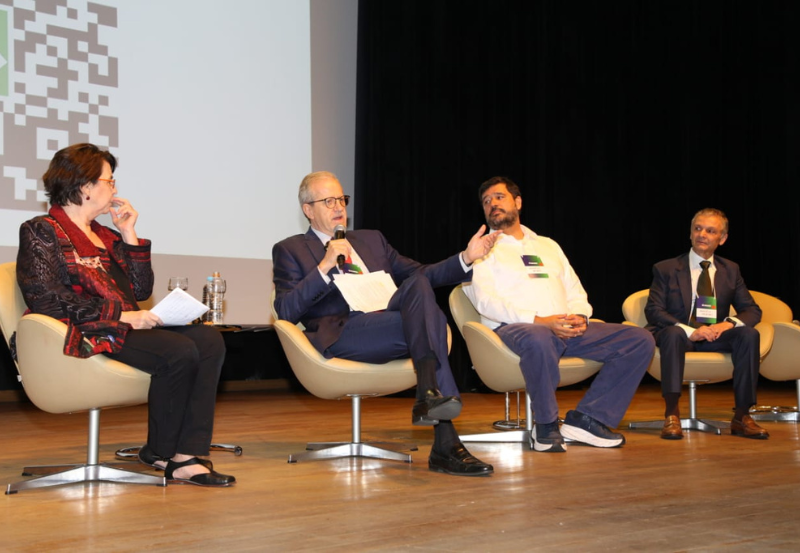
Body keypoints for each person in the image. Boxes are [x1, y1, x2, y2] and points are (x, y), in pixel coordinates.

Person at [15, 143, 235, 486]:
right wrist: (120, 315)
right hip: (79, 331)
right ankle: (161, 452)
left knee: (208, 340)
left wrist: (129, 234)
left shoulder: (104, 235)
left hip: (119, 327)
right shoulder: (42, 230)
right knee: (177, 350)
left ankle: (186, 455)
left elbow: (141, 290)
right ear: (85, 186)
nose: (114, 189)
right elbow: (44, 297)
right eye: (109, 181)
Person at [273, 171, 499, 476]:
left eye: (341, 199)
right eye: (328, 201)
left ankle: (429, 395)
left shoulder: (371, 240)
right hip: (347, 331)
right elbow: (285, 310)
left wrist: (466, 258)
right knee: (429, 320)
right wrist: (325, 266)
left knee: (418, 284)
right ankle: (444, 438)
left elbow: (421, 274)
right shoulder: (291, 249)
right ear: (308, 210)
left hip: (390, 321)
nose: (339, 207)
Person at [463, 176, 655, 452]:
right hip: (515, 329)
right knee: (540, 337)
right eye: (486, 201)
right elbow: (485, 302)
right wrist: (540, 321)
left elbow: (574, 289)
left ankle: (588, 420)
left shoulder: (548, 245)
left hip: (564, 327)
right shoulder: (482, 250)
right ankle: (545, 425)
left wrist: (579, 317)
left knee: (638, 339)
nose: (492, 203)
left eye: (499, 197)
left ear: (518, 202)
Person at [644, 208, 768, 440]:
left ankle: (742, 416)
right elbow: (653, 310)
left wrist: (726, 325)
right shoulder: (666, 268)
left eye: (710, 231)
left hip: (713, 335)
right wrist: (691, 331)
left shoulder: (730, 270)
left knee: (748, 335)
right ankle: (671, 414)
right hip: (679, 335)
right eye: (698, 228)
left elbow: (752, 310)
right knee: (672, 333)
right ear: (690, 233)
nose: (702, 234)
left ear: (722, 238)